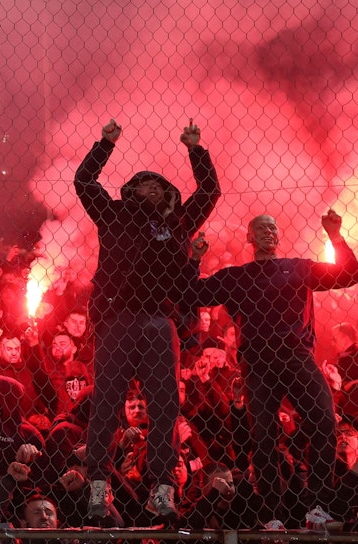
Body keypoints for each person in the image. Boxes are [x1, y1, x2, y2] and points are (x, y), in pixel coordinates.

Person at [74, 118, 220, 522]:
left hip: (159, 320)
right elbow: (84, 181)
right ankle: (99, 485)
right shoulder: (113, 215)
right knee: (106, 403)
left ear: (169, 194)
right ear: (130, 191)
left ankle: (162, 488)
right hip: (117, 319)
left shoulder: (178, 222)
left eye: (159, 185)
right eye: (143, 183)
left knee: (165, 405)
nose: (152, 188)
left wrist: (195, 149)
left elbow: (210, 190)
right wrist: (105, 144)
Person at [185, 210, 358, 528]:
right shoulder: (237, 276)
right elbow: (192, 293)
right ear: (249, 237)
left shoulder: (299, 267)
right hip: (258, 363)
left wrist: (335, 235)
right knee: (263, 437)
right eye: (262, 228)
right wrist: (194, 258)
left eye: (273, 227)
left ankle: (318, 507)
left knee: (323, 422)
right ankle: (271, 514)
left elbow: (348, 274)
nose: (269, 232)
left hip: (296, 356)